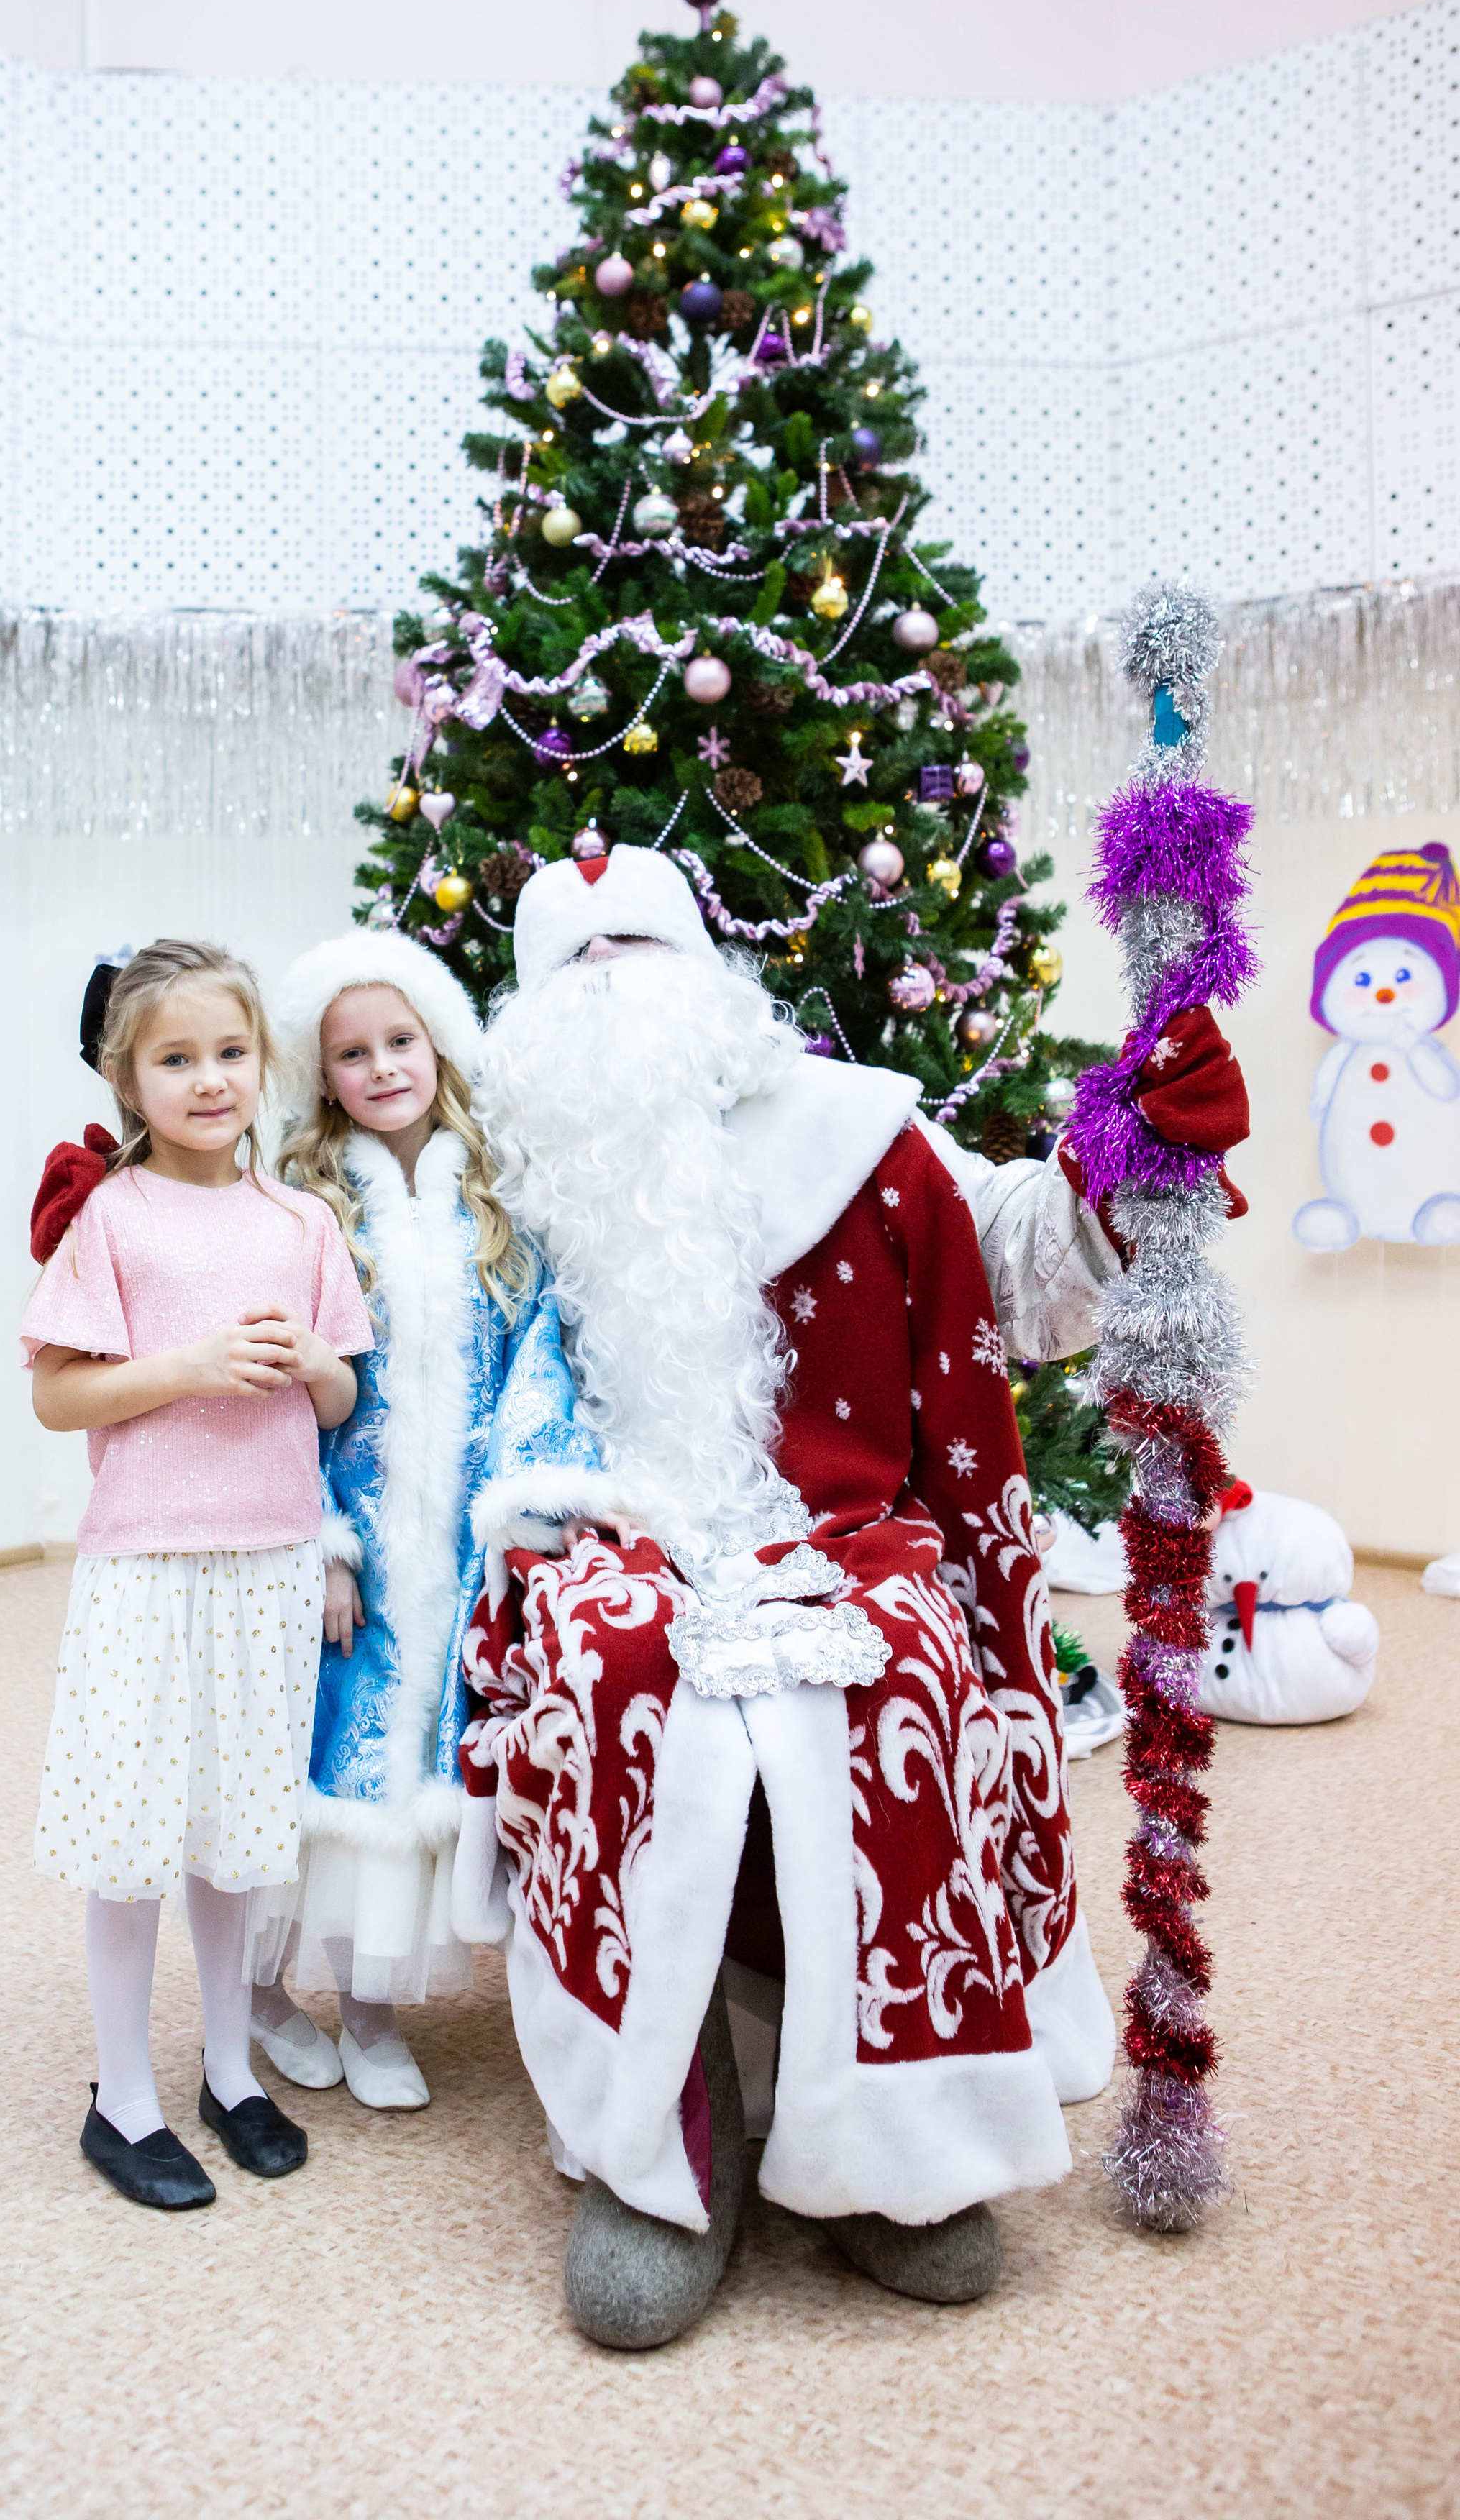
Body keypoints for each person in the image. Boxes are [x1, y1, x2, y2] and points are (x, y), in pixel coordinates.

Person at [450, 844, 1250, 2347]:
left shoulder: (853, 1128)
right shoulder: (517, 1174)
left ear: (707, 974)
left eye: (640, 950)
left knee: (892, 1669)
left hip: (851, 1522)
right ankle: (669, 2138)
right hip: (608, 1525)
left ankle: (896, 2153)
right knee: (608, 1668)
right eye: (576, 966)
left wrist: (1127, 1163)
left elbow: (1019, 1274)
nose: (613, 987)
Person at [22, 937, 374, 2210]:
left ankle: (230, 2069)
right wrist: (189, 1366)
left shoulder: (303, 1221)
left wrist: (307, 1368)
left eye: (231, 1054)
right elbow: (60, 1397)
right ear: (130, 1078)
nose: (210, 1080)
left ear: (262, 1066)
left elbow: (341, 1392)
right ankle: (122, 2099)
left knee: (234, 1840)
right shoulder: (113, 1218)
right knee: (133, 1840)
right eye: (178, 1058)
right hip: (149, 1562)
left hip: (271, 1561)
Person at [239, 931, 593, 2109]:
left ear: (439, 1047)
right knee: (313, 1765)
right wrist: (327, 1542)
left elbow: (547, 1352)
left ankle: (374, 2014)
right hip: (343, 1535)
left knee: (402, 1787)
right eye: (353, 1052)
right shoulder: (301, 1208)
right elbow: (290, 1388)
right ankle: (259, 1995)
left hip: (450, 1550)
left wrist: (526, 1505)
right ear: (323, 1072)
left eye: (402, 1042)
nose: (383, 1067)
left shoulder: (499, 1202)